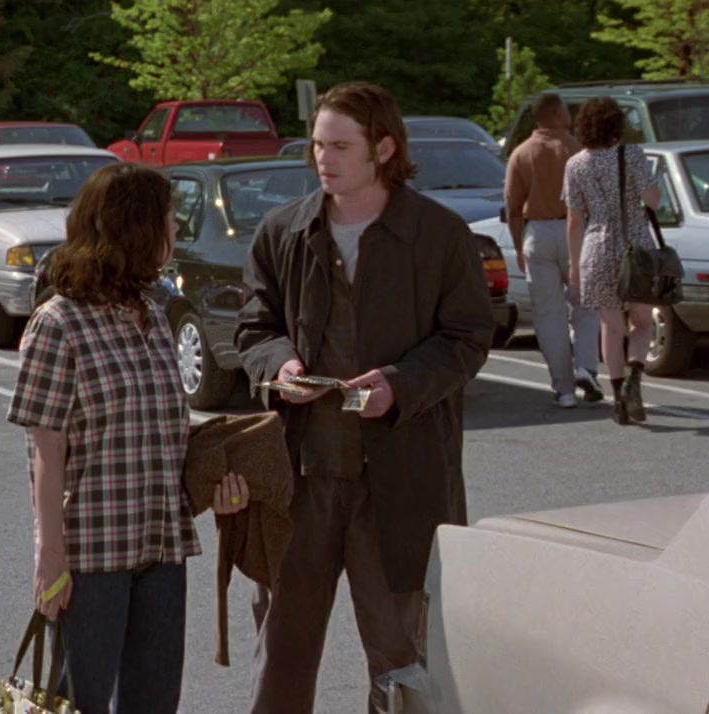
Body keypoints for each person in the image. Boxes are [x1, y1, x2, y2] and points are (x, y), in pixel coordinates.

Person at [235, 81, 494, 714]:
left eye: (340, 146)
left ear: (383, 148)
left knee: (403, 661)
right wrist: (279, 365)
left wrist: (400, 385)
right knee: (282, 655)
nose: (322, 159)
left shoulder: (438, 234)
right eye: (317, 144)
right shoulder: (283, 230)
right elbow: (253, 327)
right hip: (300, 479)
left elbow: (468, 338)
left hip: (401, 483)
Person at [6, 162, 250, 714]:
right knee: (76, 701)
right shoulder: (58, 323)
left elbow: (162, 430)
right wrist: (50, 555)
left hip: (161, 545)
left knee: (154, 702)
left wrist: (217, 480)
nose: (176, 231)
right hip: (91, 554)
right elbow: (46, 452)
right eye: (168, 219)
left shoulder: (156, 314)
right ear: (136, 230)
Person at [564, 97, 662, 425]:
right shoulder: (631, 155)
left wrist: (574, 265)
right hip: (636, 248)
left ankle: (618, 398)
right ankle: (635, 376)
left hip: (597, 249)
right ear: (618, 124)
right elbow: (653, 201)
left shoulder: (575, 165)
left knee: (610, 326)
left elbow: (574, 220)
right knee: (642, 322)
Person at [504, 92, 603, 408]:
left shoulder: (521, 153)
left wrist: (518, 246)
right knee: (585, 304)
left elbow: (513, 206)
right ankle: (586, 367)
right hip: (577, 229)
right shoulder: (578, 150)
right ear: (558, 115)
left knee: (548, 314)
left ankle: (563, 389)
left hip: (538, 231)